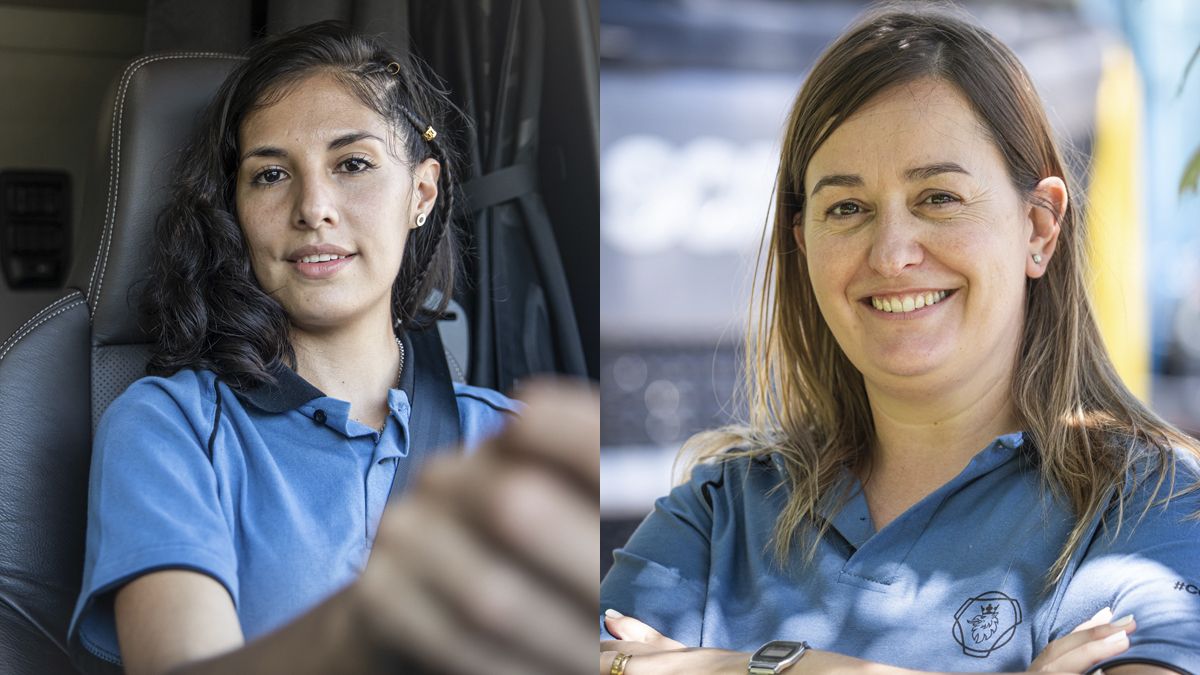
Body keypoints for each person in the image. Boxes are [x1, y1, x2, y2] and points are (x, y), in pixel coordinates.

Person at [599, 5, 1200, 675]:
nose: (890, 254)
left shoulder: (1155, 504)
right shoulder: (720, 511)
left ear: (1039, 227)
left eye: (938, 197)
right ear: (803, 245)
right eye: (847, 208)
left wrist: (727, 666)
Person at [65, 21, 596, 675]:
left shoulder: (512, 441)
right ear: (235, 207)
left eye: (352, 164)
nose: (313, 206)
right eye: (269, 175)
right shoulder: (169, 428)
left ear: (421, 193)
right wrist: (378, 621)